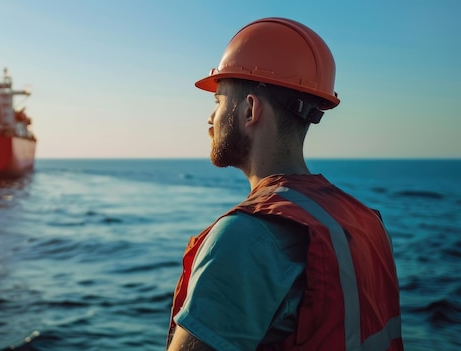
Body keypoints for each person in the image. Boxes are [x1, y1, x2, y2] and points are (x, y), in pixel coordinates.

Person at [166, 17, 404, 351]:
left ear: (250, 109)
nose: (210, 119)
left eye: (218, 102)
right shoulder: (366, 222)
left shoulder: (246, 238)